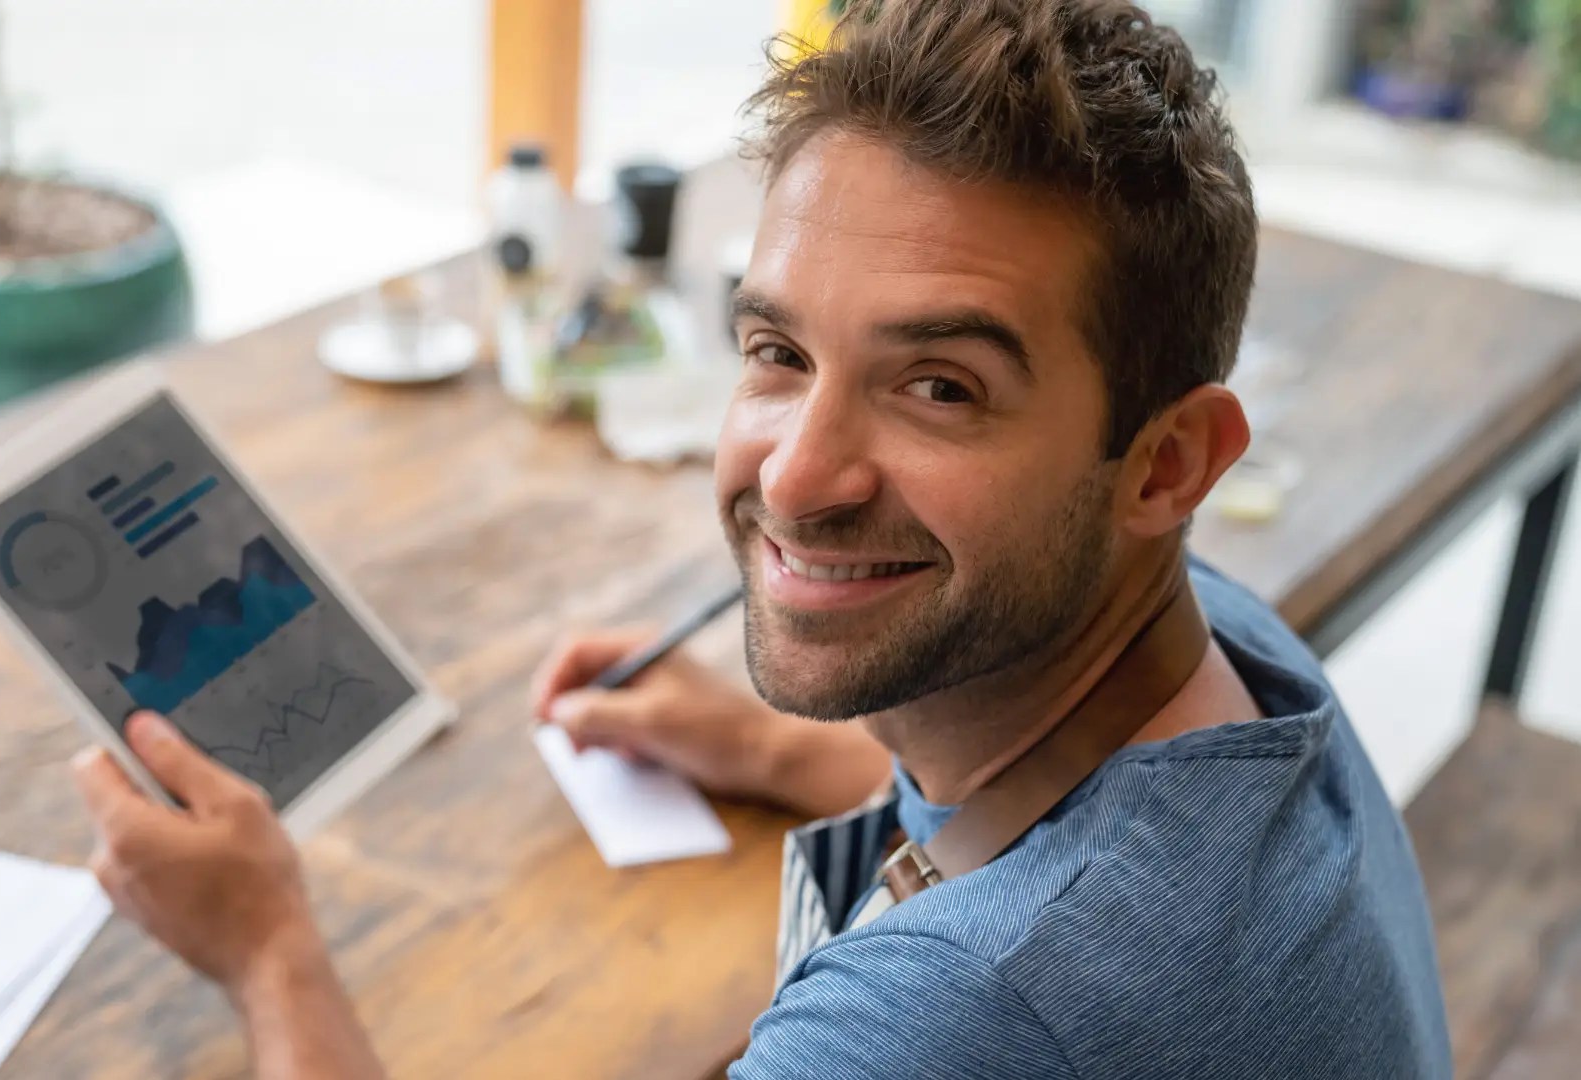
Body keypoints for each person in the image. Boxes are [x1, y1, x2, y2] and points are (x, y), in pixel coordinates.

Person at [71, 1, 1453, 1075]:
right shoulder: (1227, 655)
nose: (795, 478)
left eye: (941, 387)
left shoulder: (965, 1018)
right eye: (778, 351)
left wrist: (268, 953)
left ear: (1168, 464)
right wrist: (766, 747)